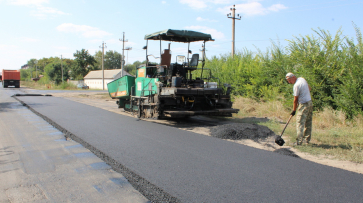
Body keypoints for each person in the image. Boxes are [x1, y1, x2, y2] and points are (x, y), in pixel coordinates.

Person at [285, 72, 313, 145]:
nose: (289, 82)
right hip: (310, 103)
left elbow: (295, 100)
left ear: (293, 77)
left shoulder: (296, 85)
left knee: (300, 123)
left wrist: (294, 110)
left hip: (303, 104)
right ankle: (306, 140)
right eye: (288, 81)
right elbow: (309, 88)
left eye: (290, 80)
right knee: (308, 122)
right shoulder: (302, 79)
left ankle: (299, 142)